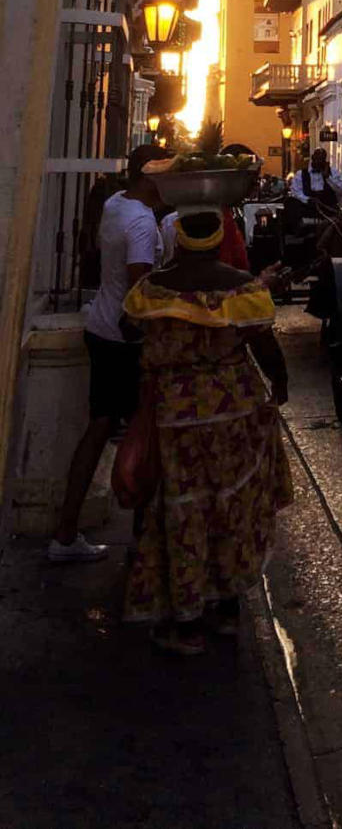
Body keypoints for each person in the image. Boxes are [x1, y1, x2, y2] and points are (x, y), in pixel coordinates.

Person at [122, 208, 293, 655]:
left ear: (179, 239)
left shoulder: (154, 289)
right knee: (232, 503)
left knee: (182, 510)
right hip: (234, 411)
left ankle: (187, 620)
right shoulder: (241, 287)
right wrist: (280, 381)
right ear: (219, 241)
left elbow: (129, 329)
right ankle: (227, 608)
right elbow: (263, 341)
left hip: (176, 416)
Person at [49, 144, 165, 561]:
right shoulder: (142, 224)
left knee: (99, 427)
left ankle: (66, 533)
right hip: (124, 339)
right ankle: (143, 544)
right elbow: (140, 288)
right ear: (149, 176)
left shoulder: (117, 203)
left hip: (100, 326)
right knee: (145, 436)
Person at [289, 147, 342, 217]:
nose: (319, 161)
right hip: (307, 210)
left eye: (322, 159)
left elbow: (341, 191)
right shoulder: (301, 174)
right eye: (317, 158)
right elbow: (295, 191)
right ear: (312, 157)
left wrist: (328, 178)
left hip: (328, 211)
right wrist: (307, 199)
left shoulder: (333, 173)